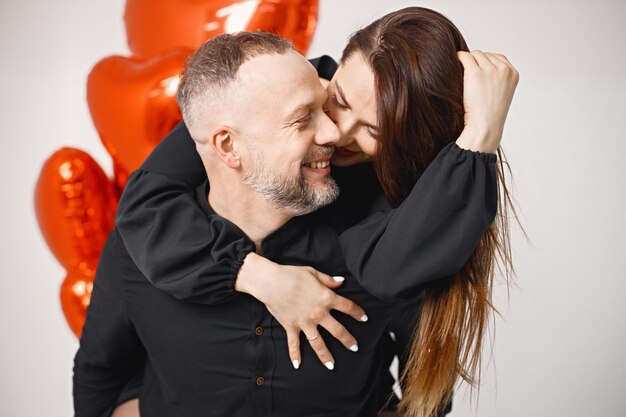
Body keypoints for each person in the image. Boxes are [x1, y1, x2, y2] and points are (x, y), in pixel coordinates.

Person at [81, 7, 517, 417]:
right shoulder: (156, 224)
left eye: (373, 130)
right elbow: (102, 371)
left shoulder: (386, 223)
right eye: (337, 101)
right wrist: (259, 276)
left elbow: (423, 384)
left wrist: (481, 132)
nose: (335, 132)